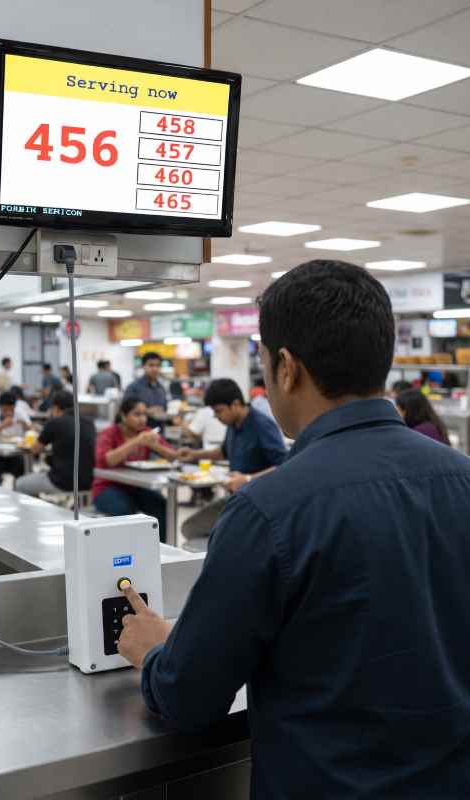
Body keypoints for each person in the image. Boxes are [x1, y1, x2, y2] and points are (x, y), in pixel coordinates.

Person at [116, 259, 470, 799]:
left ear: (286, 367)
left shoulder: (269, 510)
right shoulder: (462, 478)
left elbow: (189, 698)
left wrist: (157, 652)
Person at [178, 378, 288, 540]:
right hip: (237, 497)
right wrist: (194, 455)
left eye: (219, 411)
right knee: (190, 528)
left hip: (258, 502)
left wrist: (247, 479)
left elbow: (284, 465)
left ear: (236, 404)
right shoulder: (233, 424)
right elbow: (223, 453)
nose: (217, 417)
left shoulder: (261, 425)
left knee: (193, 529)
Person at [92, 397, 176, 542]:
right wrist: (137, 441)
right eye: (137, 414)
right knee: (126, 512)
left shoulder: (146, 432)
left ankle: (161, 552)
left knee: (163, 507)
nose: (142, 419)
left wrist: (155, 445)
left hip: (137, 488)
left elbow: (173, 456)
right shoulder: (109, 433)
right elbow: (107, 460)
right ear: (123, 416)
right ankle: (131, 556)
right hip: (106, 488)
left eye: (144, 414)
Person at [16, 391, 96, 497]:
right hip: (89, 481)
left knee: (20, 483)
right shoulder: (89, 422)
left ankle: (35, 512)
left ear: (55, 408)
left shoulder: (55, 423)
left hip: (63, 482)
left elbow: (35, 449)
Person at [123, 352, 167, 428]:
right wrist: (146, 411)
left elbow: (165, 408)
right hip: (139, 432)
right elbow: (124, 411)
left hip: (159, 431)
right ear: (143, 366)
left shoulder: (161, 388)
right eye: (151, 365)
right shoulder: (133, 387)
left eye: (158, 365)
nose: (155, 369)